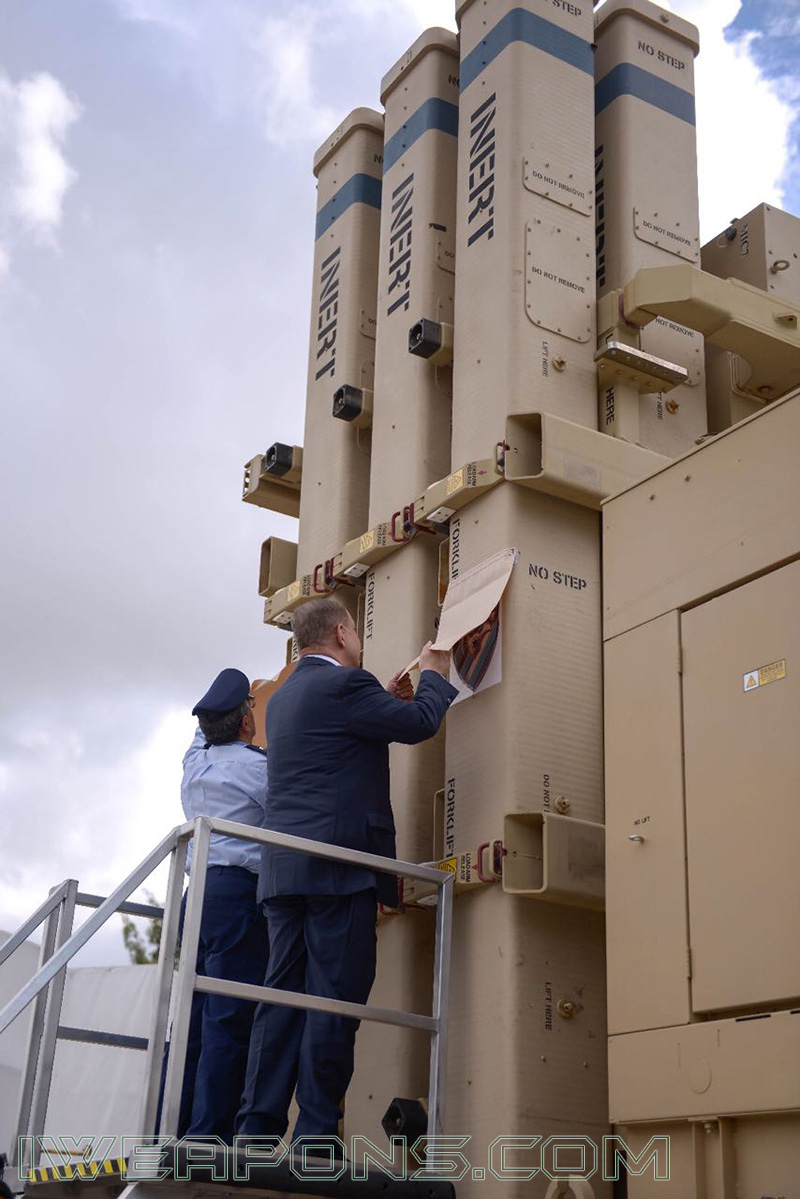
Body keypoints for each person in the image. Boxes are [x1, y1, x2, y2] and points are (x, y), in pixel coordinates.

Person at [235, 597, 457, 1144]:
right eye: (356, 632)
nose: (359, 642)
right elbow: (422, 723)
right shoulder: (346, 686)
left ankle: (256, 1129)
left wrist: (381, 700)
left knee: (281, 1001)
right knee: (334, 1003)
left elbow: (335, 748)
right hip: (337, 871)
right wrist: (433, 673)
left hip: (284, 874)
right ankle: (314, 1134)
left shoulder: (284, 698)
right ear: (341, 633)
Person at [176, 667, 270, 1143]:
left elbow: (204, 731)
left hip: (197, 901)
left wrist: (227, 707)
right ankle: (208, 1136)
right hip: (235, 898)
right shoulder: (258, 769)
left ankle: (172, 1129)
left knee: (190, 1019)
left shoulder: (197, 764)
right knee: (228, 1020)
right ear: (246, 723)